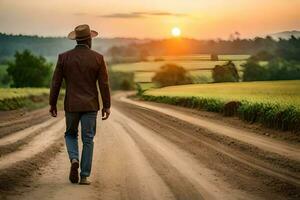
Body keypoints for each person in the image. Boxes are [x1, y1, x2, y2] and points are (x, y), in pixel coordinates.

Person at [49, 24, 111, 185]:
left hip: (71, 105)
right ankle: (84, 176)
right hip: (91, 105)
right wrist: (107, 105)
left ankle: (74, 159)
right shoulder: (98, 58)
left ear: (76, 40)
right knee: (88, 139)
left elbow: (55, 83)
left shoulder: (64, 57)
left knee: (70, 134)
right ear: (90, 39)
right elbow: (104, 84)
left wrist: (52, 103)